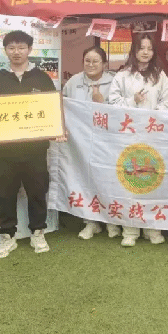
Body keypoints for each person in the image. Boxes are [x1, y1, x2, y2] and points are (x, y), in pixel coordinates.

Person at [0, 31, 58, 259]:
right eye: (12, 48)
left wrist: (57, 130)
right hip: (4, 152)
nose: (17, 52)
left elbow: (52, 110)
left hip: (35, 150)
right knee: (4, 194)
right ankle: (8, 236)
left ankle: (38, 232)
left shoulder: (42, 78)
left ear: (30, 50)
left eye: (21, 47)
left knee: (37, 191)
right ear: (6, 50)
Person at [109, 32, 168, 247]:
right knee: (130, 182)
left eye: (149, 49)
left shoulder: (160, 76)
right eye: (141, 48)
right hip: (129, 136)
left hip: (153, 135)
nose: (145, 52)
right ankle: (130, 230)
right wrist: (132, 101)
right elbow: (113, 103)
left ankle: (153, 229)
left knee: (152, 181)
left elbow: (167, 103)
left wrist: (152, 117)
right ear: (134, 51)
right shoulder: (122, 76)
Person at [61, 45, 120, 240]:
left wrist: (101, 102)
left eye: (96, 61)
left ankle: (111, 221)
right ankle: (91, 222)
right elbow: (63, 106)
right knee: (85, 179)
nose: (91, 64)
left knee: (108, 179)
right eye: (87, 61)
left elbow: (121, 111)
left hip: (108, 141)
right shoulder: (74, 82)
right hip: (81, 141)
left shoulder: (114, 81)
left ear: (104, 64)